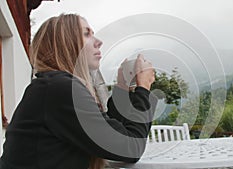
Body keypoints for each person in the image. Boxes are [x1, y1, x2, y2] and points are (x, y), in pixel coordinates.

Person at [0, 14, 156, 169]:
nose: (99, 42)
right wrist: (143, 87)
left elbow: (108, 135)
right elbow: (131, 148)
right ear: (64, 44)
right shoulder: (59, 88)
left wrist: (122, 87)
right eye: (86, 34)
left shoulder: (53, 86)